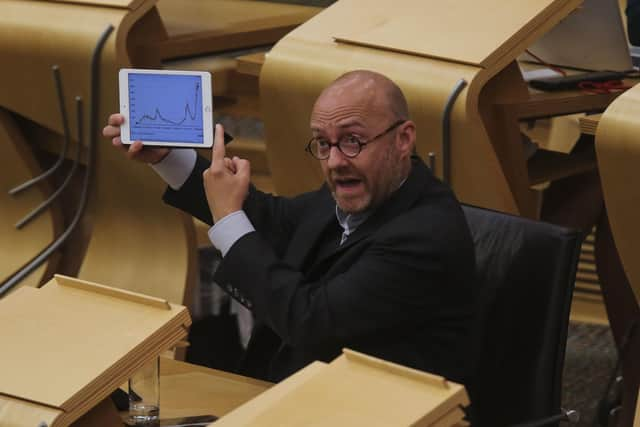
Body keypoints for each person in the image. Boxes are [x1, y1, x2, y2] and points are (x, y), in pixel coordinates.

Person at [103, 70, 476, 383]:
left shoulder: (425, 234)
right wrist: (168, 158)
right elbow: (272, 219)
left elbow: (311, 321)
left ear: (403, 139)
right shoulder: (356, 193)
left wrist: (230, 220)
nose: (333, 162)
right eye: (322, 144)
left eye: (352, 141)